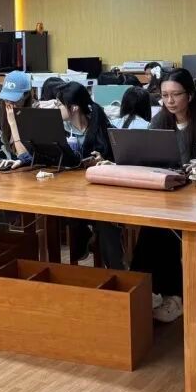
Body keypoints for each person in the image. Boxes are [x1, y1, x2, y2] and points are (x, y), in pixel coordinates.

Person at [132, 68, 196, 323]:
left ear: (189, 95)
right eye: (164, 95)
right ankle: (147, 291)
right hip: (168, 196)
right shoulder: (159, 122)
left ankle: (173, 296)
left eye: (175, 94)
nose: (169, 101)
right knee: (150, 227)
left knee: (165, 229)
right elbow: (147, 156)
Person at [56, 81, 123, 268]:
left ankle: (117, 270)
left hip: (102, 194)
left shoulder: (103, 128)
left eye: (59, 104)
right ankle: (84, 242)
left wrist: (102, 160)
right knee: (59, 212)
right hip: (71, 191)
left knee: (105, 222)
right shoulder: (59, 130)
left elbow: (119, 161)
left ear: (74, 107)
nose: (56, 108)